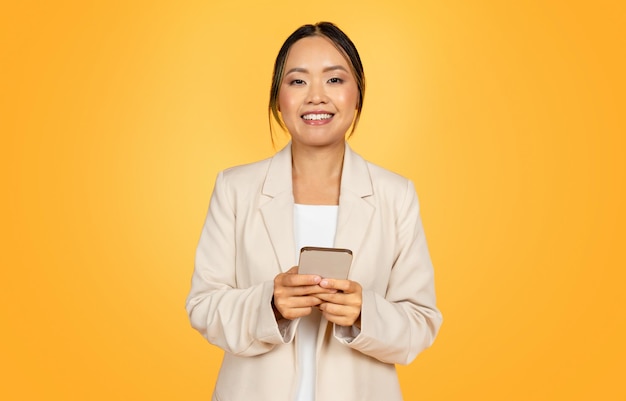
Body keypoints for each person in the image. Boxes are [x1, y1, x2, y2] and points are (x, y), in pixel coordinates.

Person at [186, 21, 442, 401]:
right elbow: (204, 306)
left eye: (335, 80)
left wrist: (363, 312)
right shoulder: (235, 188)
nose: (317, 96)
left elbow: (421, 321)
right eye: (298, 81)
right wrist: (269, 305)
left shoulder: (395, 195)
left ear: (357, 96)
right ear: (278, 99)